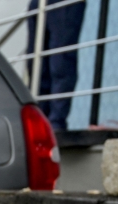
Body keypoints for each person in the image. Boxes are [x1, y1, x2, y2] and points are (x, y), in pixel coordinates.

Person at [26, 0, 87, 131]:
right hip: (39, 3)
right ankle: (39, 120)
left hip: (65, 3)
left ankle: (55, 123)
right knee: (35, 65)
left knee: (61, 64)